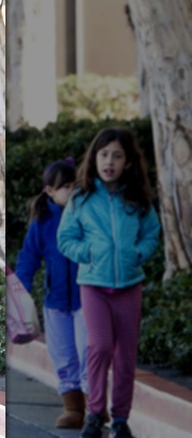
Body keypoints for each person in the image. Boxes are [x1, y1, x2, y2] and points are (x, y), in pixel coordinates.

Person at [57, 127, 160, 438]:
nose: (110, 161)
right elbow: (66, 238)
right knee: (99, 347)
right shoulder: (82, 197)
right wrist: (87, 252)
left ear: (127, 162)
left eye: (117, 155)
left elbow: (151, 233)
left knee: (125, 355)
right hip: (94, 285)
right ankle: (95, 412)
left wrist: (137, 254)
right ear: (95, 158)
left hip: (130, 285)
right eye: (104, 155)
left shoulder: (137, 198)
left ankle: (120, 419)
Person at [15, 157, 88, 429]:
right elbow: (29, 256)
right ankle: (73, 408)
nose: (71, 191)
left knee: (87, 352)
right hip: (55, 302)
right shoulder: (43, 221)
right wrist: (22, 289)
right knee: (63, 354)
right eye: (65, 186)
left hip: (86, 300)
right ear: (49, 190)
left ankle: (94, 409)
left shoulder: (85, 215)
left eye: (75, 185)